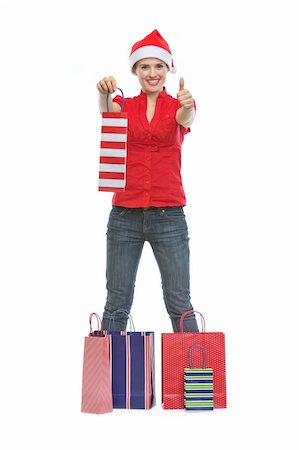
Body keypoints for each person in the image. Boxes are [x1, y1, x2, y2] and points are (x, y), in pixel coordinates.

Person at [96, 29, 199, 332]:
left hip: (169, 215)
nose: (152, 73)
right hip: (124, 215)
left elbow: (186, 118)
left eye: (158, 66)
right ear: (135, 71)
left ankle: (193, 377)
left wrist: (189, 105)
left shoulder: (176, 106)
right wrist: (103, 93)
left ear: (168, 69)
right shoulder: (124, 105)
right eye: (145, 67)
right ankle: (109, 379)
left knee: (179, 302)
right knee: (116, 302)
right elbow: (107, 113)